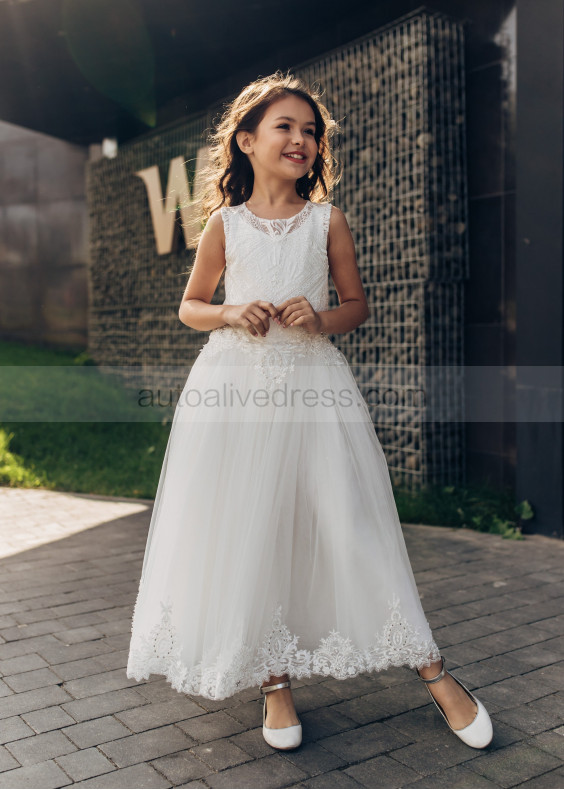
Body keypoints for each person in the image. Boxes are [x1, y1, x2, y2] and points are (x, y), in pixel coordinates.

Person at [126, 70, 493, 752]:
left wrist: (319, 317)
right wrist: (233, 310)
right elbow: (191, 307)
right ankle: (276, 686)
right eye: (285, 127)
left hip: (313, 390)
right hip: (235, 392)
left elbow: (356, 307)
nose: (302, 139)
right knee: (254, 530)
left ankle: (436, 670)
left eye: (310, 130)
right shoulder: (223, 227)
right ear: (246, 141)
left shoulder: (328, 221)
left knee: (350, 522)